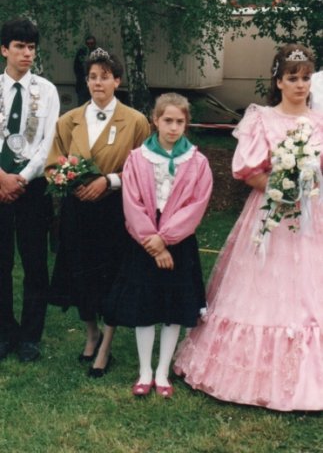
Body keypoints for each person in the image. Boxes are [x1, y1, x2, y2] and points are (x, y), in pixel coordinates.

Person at [173, 44, 323, 411]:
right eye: (292, 78)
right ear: (278, 81)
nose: (301, 85)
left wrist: (308, 186)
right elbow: (247, 170)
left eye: (305, 78)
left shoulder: (320, 121)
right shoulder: (261, 118)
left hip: (313, 214)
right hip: (270, 213)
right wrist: (279, 189)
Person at [46, 47, 150, 377]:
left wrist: (109, 181)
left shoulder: (135, 121)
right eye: (92, 77)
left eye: (105, 77)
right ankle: (90, 333)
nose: (98, 83)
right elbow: (53, 163)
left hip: (114, 211)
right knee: (80, 273)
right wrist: (67, 182)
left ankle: (106, 346)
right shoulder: (68, 120)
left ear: (117, 80)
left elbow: (145, 168)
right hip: (78, 209)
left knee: (112, 275)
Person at [104, 93, 213, 397]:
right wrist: (151, 241)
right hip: (144, 240)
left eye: (180, 122)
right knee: (145, 305)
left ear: (186, 124)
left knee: (173, 307)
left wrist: (165, 239)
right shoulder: (137, 158)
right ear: (155, 120)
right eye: (168, 120)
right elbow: (132, 201)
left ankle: (163, 372)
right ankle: (144, 371)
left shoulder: (197, 162)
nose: (174, 127)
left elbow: (195, 205)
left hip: (177, 241)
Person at [0, 18, 60, 362]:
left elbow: (48, 140)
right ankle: (5, 330)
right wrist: (2, 178)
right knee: (1, 262)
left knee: (35, 262)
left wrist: (22, 177)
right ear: (4, 49)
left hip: (32, 188)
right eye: (20, 46)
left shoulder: (47, 90)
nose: (27, 53)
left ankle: (30, 336)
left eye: (32, 47)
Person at [73, 35, 97, 106]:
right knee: (82, 104)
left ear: (94, 43)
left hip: (94, 83)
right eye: (88, 43)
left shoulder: (97, 53)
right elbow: (76, 67)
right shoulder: (81, 52)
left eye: (92, 43)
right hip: (82, 83)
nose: (90, 45)